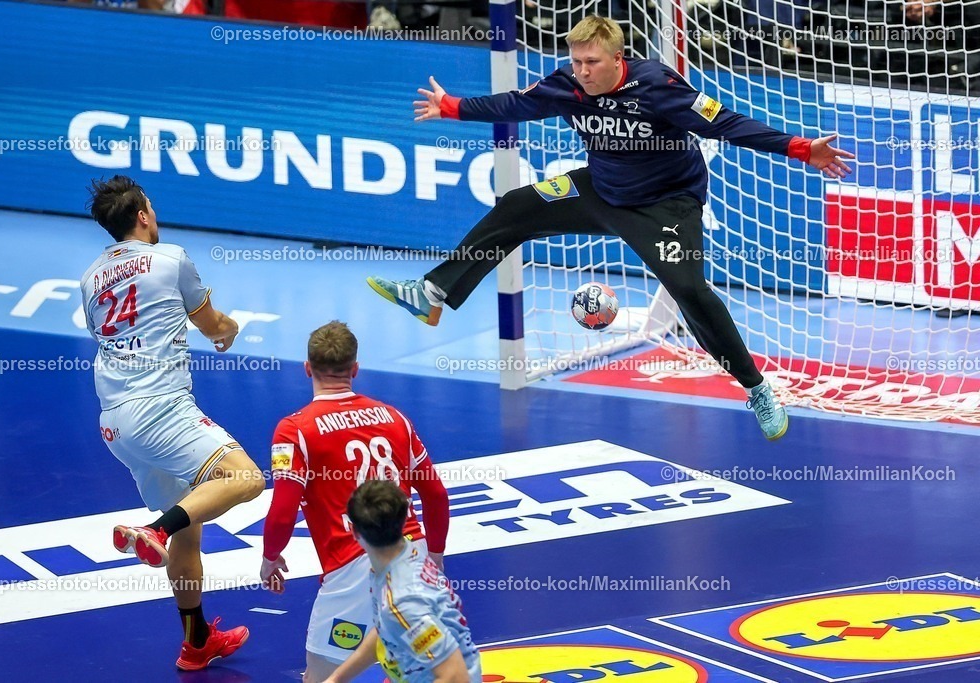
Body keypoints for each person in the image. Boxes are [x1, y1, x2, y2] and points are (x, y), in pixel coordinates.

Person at [367, 14, 856, 441]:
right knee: (515, 207)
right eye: (576, 61)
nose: (581, 72)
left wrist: (800, 148)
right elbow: (514, 105)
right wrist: (452, 106)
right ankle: (432, 296)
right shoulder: (567, 85)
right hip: (600, 190)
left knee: (691, 290)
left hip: (666, 206)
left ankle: (757, 389)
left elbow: (725, 123)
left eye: (591, 63)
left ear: (618, 59)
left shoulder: (659, 88)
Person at [81, 175, 265, 671]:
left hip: (116, 424)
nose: (155, 215)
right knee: (245, 478)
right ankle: (155, 531)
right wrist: (231, 330)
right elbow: (212, 325)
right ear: (142, 215)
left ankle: (197, 641)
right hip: (161, 407)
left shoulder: (90, 277)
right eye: (152, 208)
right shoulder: (172, 258)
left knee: (191, 527)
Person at [259, 321, 451, 682]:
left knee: (322, 677)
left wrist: (270, 557)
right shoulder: (395, 418)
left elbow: (283, 512)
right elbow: (436, 495)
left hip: (352, 569)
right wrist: (434, 553)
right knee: (421, 670)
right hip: (412, 553)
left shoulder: (295, 430)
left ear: (307, 369)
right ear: (355, 369)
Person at [323, 480, 480, 683]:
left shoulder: (402, 603)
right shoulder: (404, 555)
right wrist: (336, 678)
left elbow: (456, 678)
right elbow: (388, 629)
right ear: (404, 520)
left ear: (353, 532)